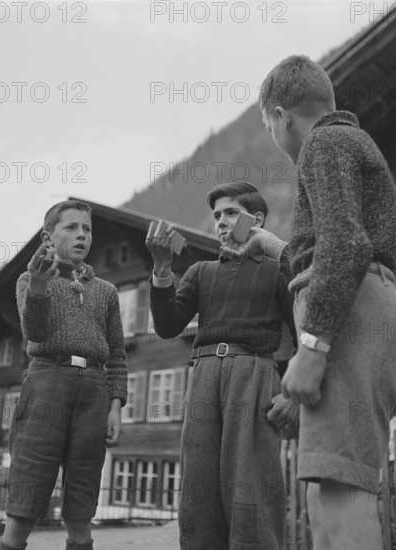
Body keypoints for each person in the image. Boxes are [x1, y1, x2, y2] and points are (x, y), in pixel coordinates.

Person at [224, 55, 396, 550]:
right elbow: (331, 244)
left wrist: (311, 347)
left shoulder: (324, 142)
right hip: (370, 307)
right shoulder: (346, 141)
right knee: (325, 488)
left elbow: (346, 245)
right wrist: (271, 244)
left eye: (268, 123)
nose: (271, 133)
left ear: (281, 113)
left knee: (341, 494)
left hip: (352, 316)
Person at [145, 181, 298, 550]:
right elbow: (168, 326)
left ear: (256, 218)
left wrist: (291, 393)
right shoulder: (200, 271)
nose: (222, 222)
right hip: (203, 375)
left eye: (231, 213)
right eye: (217, 216)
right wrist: (163, 268)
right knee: (199, 487)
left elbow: (304, 313)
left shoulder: (277, 270)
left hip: (254, 374)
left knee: (250, 483)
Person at [0, 200, 128, 550]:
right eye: (71, 227)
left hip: (95, 392)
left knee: (82, 500)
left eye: (86, 229)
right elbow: (35, 333)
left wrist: (115, 407)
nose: (81, 234)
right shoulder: (30, 279)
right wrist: (40, 287)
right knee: (28, 487)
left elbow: (116, 354)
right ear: (48, 236)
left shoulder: (106, 292)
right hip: (47, 382)